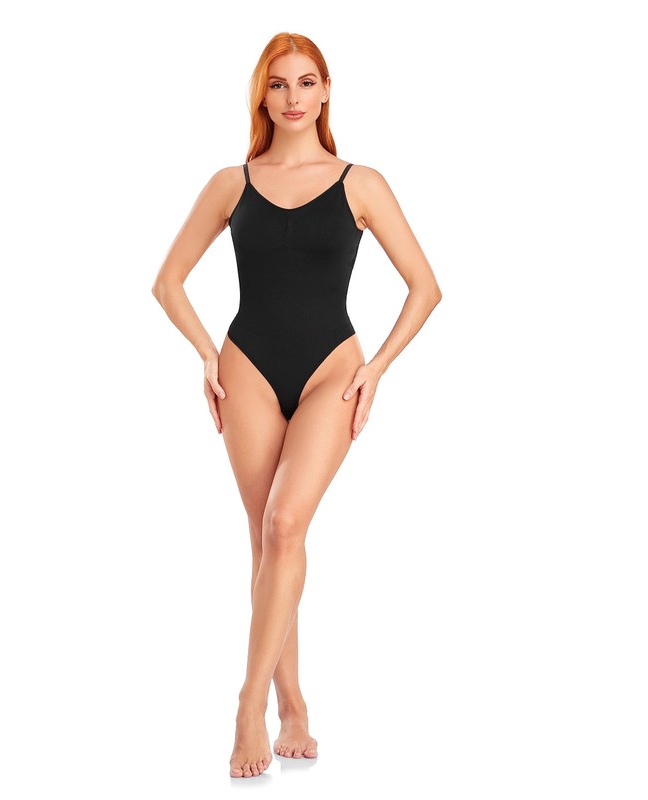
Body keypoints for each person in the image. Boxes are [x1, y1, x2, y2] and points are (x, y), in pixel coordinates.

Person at [152, 31, 442, 779]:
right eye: (278, 84)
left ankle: (248, 704)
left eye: (306, 82)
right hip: (246, 365)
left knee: (285, 524)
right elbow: (168, 281)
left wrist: (376, 368)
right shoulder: (231, 182)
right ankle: (294, 707)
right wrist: (207, 354)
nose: (292, 97)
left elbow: (426, 287)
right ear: (262, 95)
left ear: (326, 91)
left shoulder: (360, 182)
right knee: (267, 540)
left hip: (330, 371)